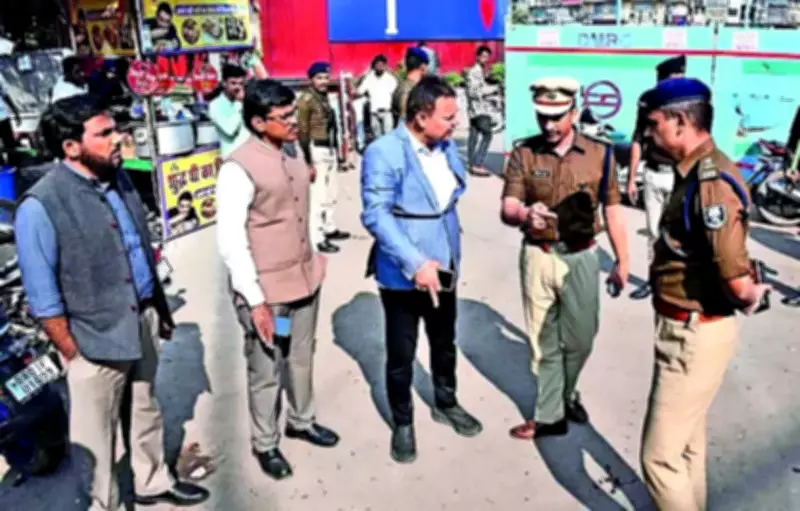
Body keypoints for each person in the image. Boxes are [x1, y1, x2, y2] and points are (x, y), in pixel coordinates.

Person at [14, 94, 208, 510]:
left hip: (140, 319)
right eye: (104, 134)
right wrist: (73, 351)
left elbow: (139, 248)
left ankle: (152, 481)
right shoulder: (42, 205)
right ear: (71, 147)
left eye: (115, 129)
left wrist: (158, 312)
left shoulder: (118, 179)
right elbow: (43, 297)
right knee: (95, 441)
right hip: (91, 339)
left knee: (145, 410)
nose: (118, 139)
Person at [637, 77, 771, 510]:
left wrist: (750, 293)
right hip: (685, 327)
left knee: (659, 459)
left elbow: (734, 276)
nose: (648, 133)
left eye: (654, 123)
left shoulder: (710, 181)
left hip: (691, 334)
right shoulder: (696, 169)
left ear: (680, 122)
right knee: (685, 446)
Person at [217, 79, 340, 480]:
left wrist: (317, 251)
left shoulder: (291, 150)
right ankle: (266, 442)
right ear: (257, 122)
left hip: (304, 281)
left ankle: (302, 421)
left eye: (292, 113)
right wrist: (255, 301)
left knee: (300, 356)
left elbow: (305, 205)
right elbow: (231, 241)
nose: (292, 122)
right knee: (267, 365)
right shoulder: (238, 168)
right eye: (283, 117)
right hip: (270, 294)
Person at [361, 76, 482, 464]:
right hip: (403, 272)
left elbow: (450, 196)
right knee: (401, 353)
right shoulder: (384, 152)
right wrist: (415, 263)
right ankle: (402, 422)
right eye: (447, 117)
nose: (455, 123)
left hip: (444, 263)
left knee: (444, 341)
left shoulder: (444, 148)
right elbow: (376, 215)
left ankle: (446, 402)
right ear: (419, 116)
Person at [501, 77, 630, 440]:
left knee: (580, 340)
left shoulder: (600, 153)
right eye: (542, 116)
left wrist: (622, 261)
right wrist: (525, 214)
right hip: (538, 256)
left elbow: (613, 209)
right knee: (543, 344)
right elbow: (508, 207)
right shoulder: (524, 153)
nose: (549, 124)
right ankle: (549, 415)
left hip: (582, 257)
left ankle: (567, 393)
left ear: (574, 112)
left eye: (557, 116)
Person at [627, 55, 686, 300]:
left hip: (679, 177)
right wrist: (632, 178)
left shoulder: (689, 103)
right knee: (653, 232)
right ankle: (654, 280)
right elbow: (637, 141)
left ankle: (679, 281)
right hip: (653, 174)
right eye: (675, 78)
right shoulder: (648, 102)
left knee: (680, 233)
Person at [298, 61, 350, 254]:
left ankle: (329, 227)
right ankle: (317, 237)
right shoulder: (306, 100)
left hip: (329, 148)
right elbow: (303, 130)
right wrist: (307, 160)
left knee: (331, 193)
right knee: (318, 196)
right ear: (311, 79)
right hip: (316, 148)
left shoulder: (324, 98)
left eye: (326, 77)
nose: (323, 81)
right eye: (319, 78)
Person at [464, 45, 500, 177]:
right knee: (487, 134)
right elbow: (474, 92)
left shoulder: (480, 70)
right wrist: (494, 89)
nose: (485, 59)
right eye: (483, 56)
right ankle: (477, 164)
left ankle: (472, 164)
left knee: (473, 136)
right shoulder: (475, 71)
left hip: (473, 109)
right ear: (478, 57)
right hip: (479, 109)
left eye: (487, 56)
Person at [208, 64, 250, 158]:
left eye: (241, 84)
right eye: (233, 83)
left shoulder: (244, 101)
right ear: (224, 83)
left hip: (248, 154)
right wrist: (239, 102)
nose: (238, 87)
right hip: (232, 157)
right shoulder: (215, 105)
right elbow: (230, 130)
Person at [357, 54, 398, 140]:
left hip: (387, 113)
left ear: (385, 66)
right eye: (377, 64)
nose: (379, 66)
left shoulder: (390, 78)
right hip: (374, 114)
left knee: (389, 138)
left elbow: (396, 93)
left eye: (382, 64)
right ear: (374, 66)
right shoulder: (369, 78)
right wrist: (364, 74)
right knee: (377, 139)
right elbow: (359, 91)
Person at [391, 48, 429, 127]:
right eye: (427, 66)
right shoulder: (408, 90)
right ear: (423, 67)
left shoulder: (407, 86)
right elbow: (404, 121)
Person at [0, 73, 20, 166]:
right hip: (2, 116)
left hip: (2, 116)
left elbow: (5, 94)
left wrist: (15, 110)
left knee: (10, 144)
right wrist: (15, 110)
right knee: (9, 144)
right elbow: (5, 94)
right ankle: (13, 167)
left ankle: (11, 167)